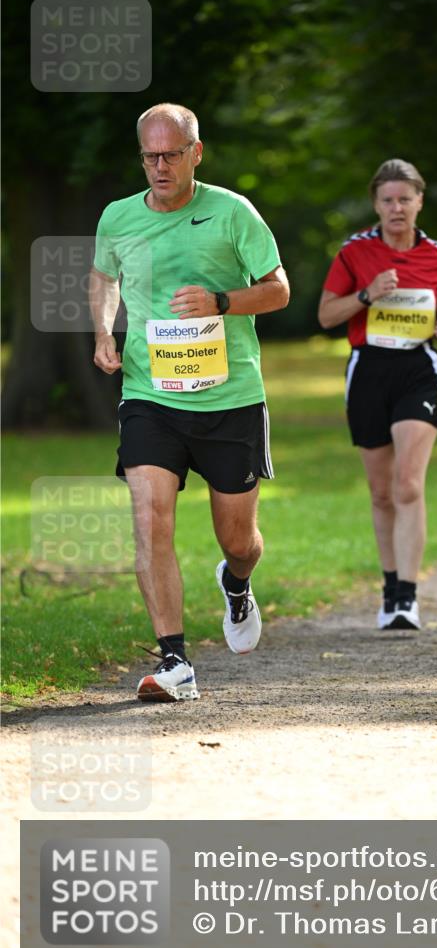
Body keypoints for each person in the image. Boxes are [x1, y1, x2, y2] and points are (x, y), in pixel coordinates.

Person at [90, 103, 289, 702]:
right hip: (150, 394)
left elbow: (279, 291)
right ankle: (175, 662)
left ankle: (236, 582)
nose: (159, 167)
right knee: (150, 519)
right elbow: (105, 277)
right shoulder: (118, 216)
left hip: (230, 398)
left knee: (238, 540)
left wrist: (222, 303)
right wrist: (103, 331)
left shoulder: (232, 212)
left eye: (171, 155)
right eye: (149, 156)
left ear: (195, 153)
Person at [318, 159, 437, 630]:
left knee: (408, 485)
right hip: (369, 371)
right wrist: (367, 295)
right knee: (381, 493)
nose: (396, 208)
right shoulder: (355, 253)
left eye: (405, 199)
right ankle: (389, 587)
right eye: (387, 200)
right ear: (375, 205)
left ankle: (407, 597)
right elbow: (325, 315)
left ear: (420, 201)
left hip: (418, 369)